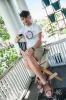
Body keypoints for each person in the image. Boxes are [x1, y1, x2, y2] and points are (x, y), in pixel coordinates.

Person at [15, 10, 53, 98]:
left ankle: (43, 82)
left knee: (28, 59)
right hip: (28, 51)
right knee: (27, 63)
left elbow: (39, 40)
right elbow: (17, 39)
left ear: (30, 17)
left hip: (37, 48)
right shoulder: (22, 30)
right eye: (22, 19)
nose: (25, 21)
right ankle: (44, 80)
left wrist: (32, 48)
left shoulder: (36, 27)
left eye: (26, 18)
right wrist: (16, 39)